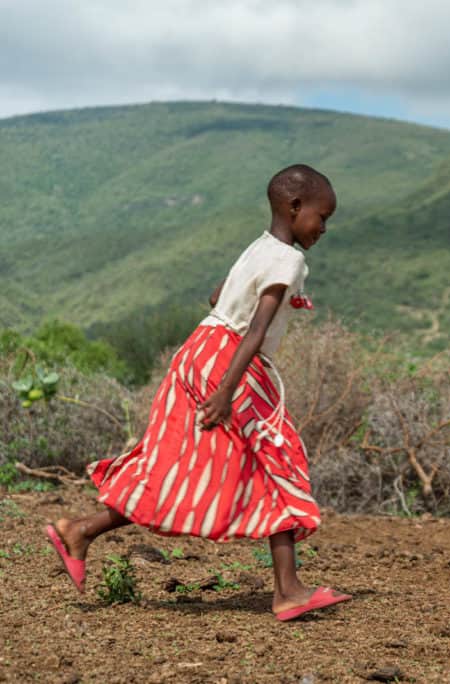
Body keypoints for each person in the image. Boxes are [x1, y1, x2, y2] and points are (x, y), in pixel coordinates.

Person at [46, 164, 350, 621]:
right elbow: (255, 330)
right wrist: (227, 390)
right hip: (230, 363)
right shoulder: (289, 259)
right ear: (294, 207)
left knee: (180, 468)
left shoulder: (258, 248)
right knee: (279, 459)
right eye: (321, 217)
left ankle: (80, 531)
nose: (324, 228)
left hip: (199, 350)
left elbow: (216, 299)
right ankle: (288, 590)